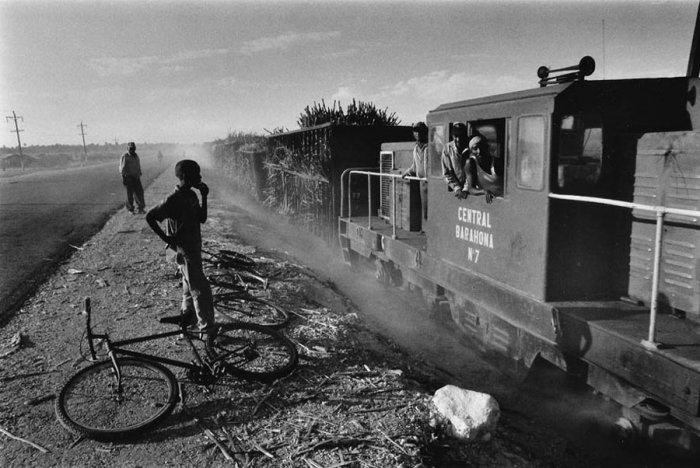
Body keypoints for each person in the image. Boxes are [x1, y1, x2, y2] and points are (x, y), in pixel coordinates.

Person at [145, 160, 217, 340]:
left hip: (193, 248)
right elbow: (150, 217)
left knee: (188, 287)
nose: (200, 177)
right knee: (201, 290)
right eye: (196, 174)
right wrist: (167, 239)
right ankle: (206, 331)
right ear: (184, 176)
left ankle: (187, 321)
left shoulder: (191, 195)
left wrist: (204, 196)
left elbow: (202, 218)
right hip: (185, 251)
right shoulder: (173, 199)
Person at [462, 135, 504, 204]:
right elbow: (471, 189)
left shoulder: (497, 163)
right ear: (471, 151)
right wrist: (484, 191)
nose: (479, 151)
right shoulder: (470, 163)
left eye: (482, 147)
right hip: (488, 202)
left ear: (487, 147)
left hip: (502, 201)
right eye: (475, 148)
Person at [401, 121, 429, 222]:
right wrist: (405, 173)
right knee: (425, 211)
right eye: (415, 131)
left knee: (433, 211)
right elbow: (415, 167)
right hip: (422, 184)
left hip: (431, 184)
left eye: (420, 131)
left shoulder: (430, 147)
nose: (417, 134)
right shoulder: (416, 148)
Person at [441, 123, 470, 199]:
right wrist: (457, 188)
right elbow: (446, 173)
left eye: (461, 136)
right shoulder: (447, 149)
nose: (458, 139)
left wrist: (466, 188)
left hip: (470, 189)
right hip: (455, 189)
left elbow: (472, 171)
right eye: (456, 136)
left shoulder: (470, 147)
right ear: (452, 136)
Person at [119, 142, 146, 214]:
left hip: (136, 177)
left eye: (133, 148)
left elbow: (138, 165)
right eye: (130, 148)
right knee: (129, 194)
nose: (132, 150)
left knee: (139, 193)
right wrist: (124, 178)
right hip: (128, 178)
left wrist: (139, 174)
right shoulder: (125, 156)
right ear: (127, 148)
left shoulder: (136, 156)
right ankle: (130, 209)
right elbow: (122, 169)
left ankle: (140, 208)